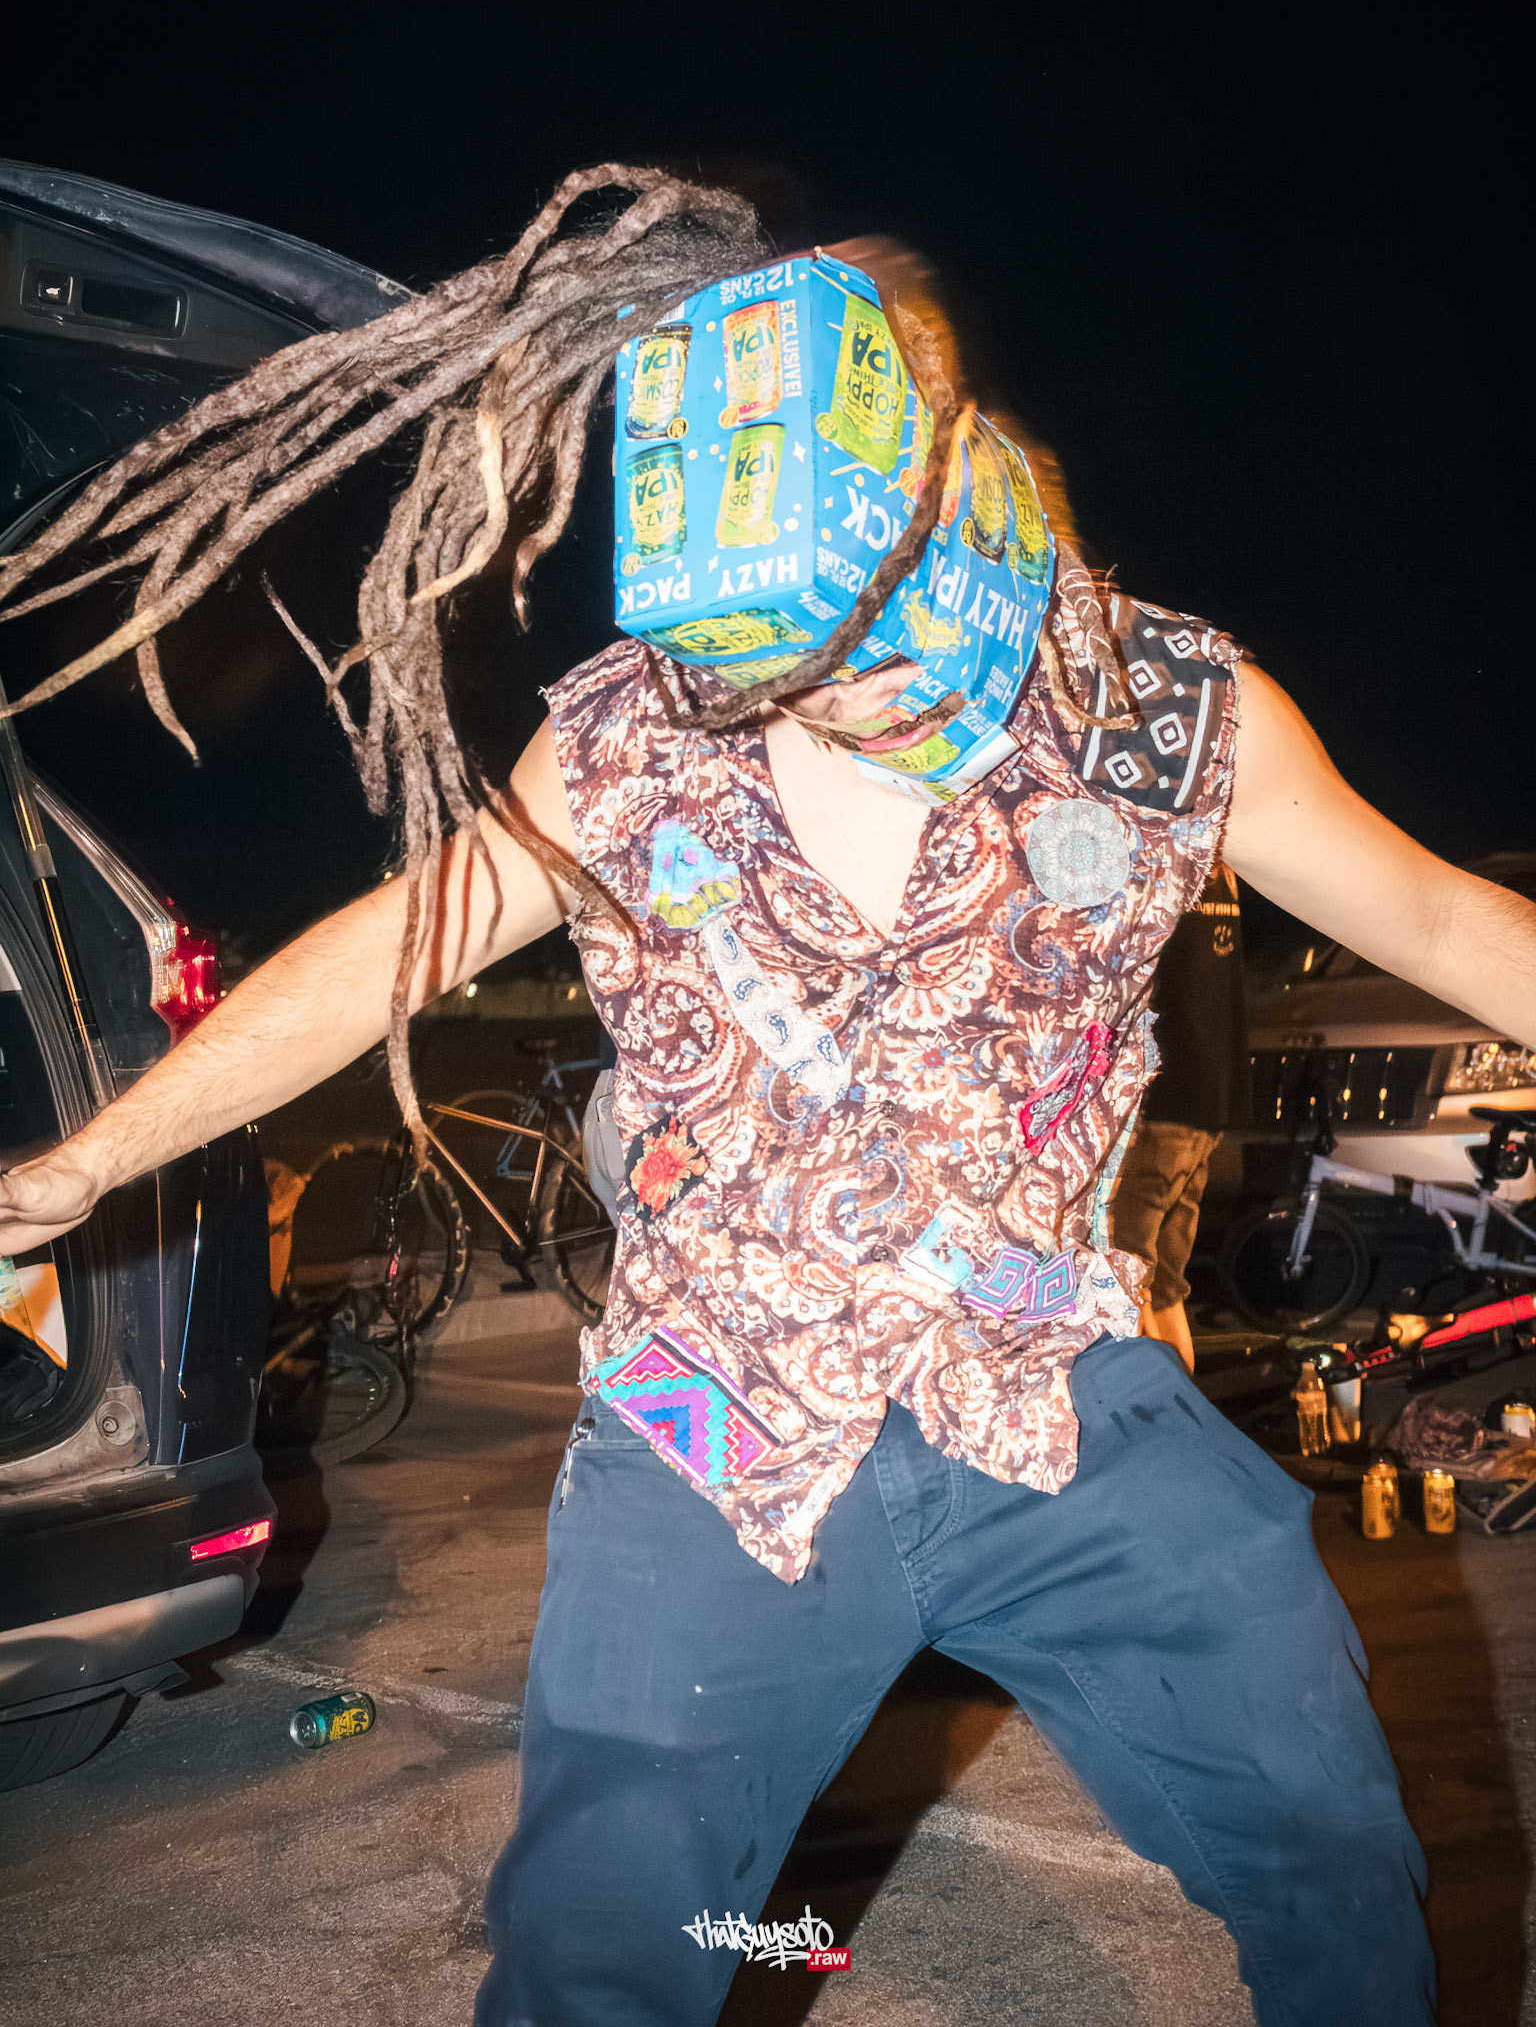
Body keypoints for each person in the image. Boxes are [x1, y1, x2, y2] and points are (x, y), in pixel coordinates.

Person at [3, 168, 1532, 2027]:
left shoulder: (1174, 719)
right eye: (774, 671)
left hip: (1055, 1390)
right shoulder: (632, 733)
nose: (826, 699)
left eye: (868, 646)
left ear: (957, 499)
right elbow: (392, 946)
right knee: (604, 1958)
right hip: (712, 1426)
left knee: (1334, 1859)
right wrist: (88, 1161)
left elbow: (1444, 919)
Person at [1111, 860, 1249, 1370]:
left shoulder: (1157, 863)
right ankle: (1184, 1398)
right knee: (1166, 1282)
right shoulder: (1220, 872)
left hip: (1164, 1094)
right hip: (1209, 1096)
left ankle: (1147, 1404)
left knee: (1125, 1266)